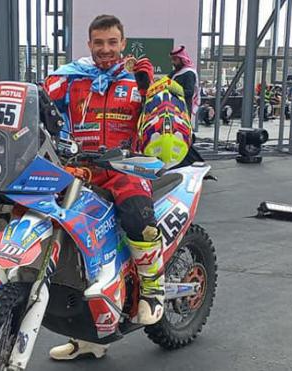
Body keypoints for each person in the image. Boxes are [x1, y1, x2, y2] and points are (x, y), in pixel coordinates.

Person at [43, 14, 164, 360]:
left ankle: (153, 291)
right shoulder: (72, 79)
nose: (106, 50)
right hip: (82, 168)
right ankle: (86, 337)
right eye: (99, 43)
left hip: (127, 167)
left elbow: (164, 112)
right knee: (58, 229)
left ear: (123, 43)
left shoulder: (138, 80)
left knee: (137, 217)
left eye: (112, 42)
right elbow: (40, 96)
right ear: (89, 45)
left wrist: (149, 86)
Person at [168, 45, 200, 118]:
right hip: (171, 108)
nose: (173, 62)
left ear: (182, 59)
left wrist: (174, 89)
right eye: (172, 59)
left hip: (183, 110)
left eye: (175, 60)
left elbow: (189, 92)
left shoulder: (189, 73)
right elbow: (165, 81)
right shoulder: (175, 72)